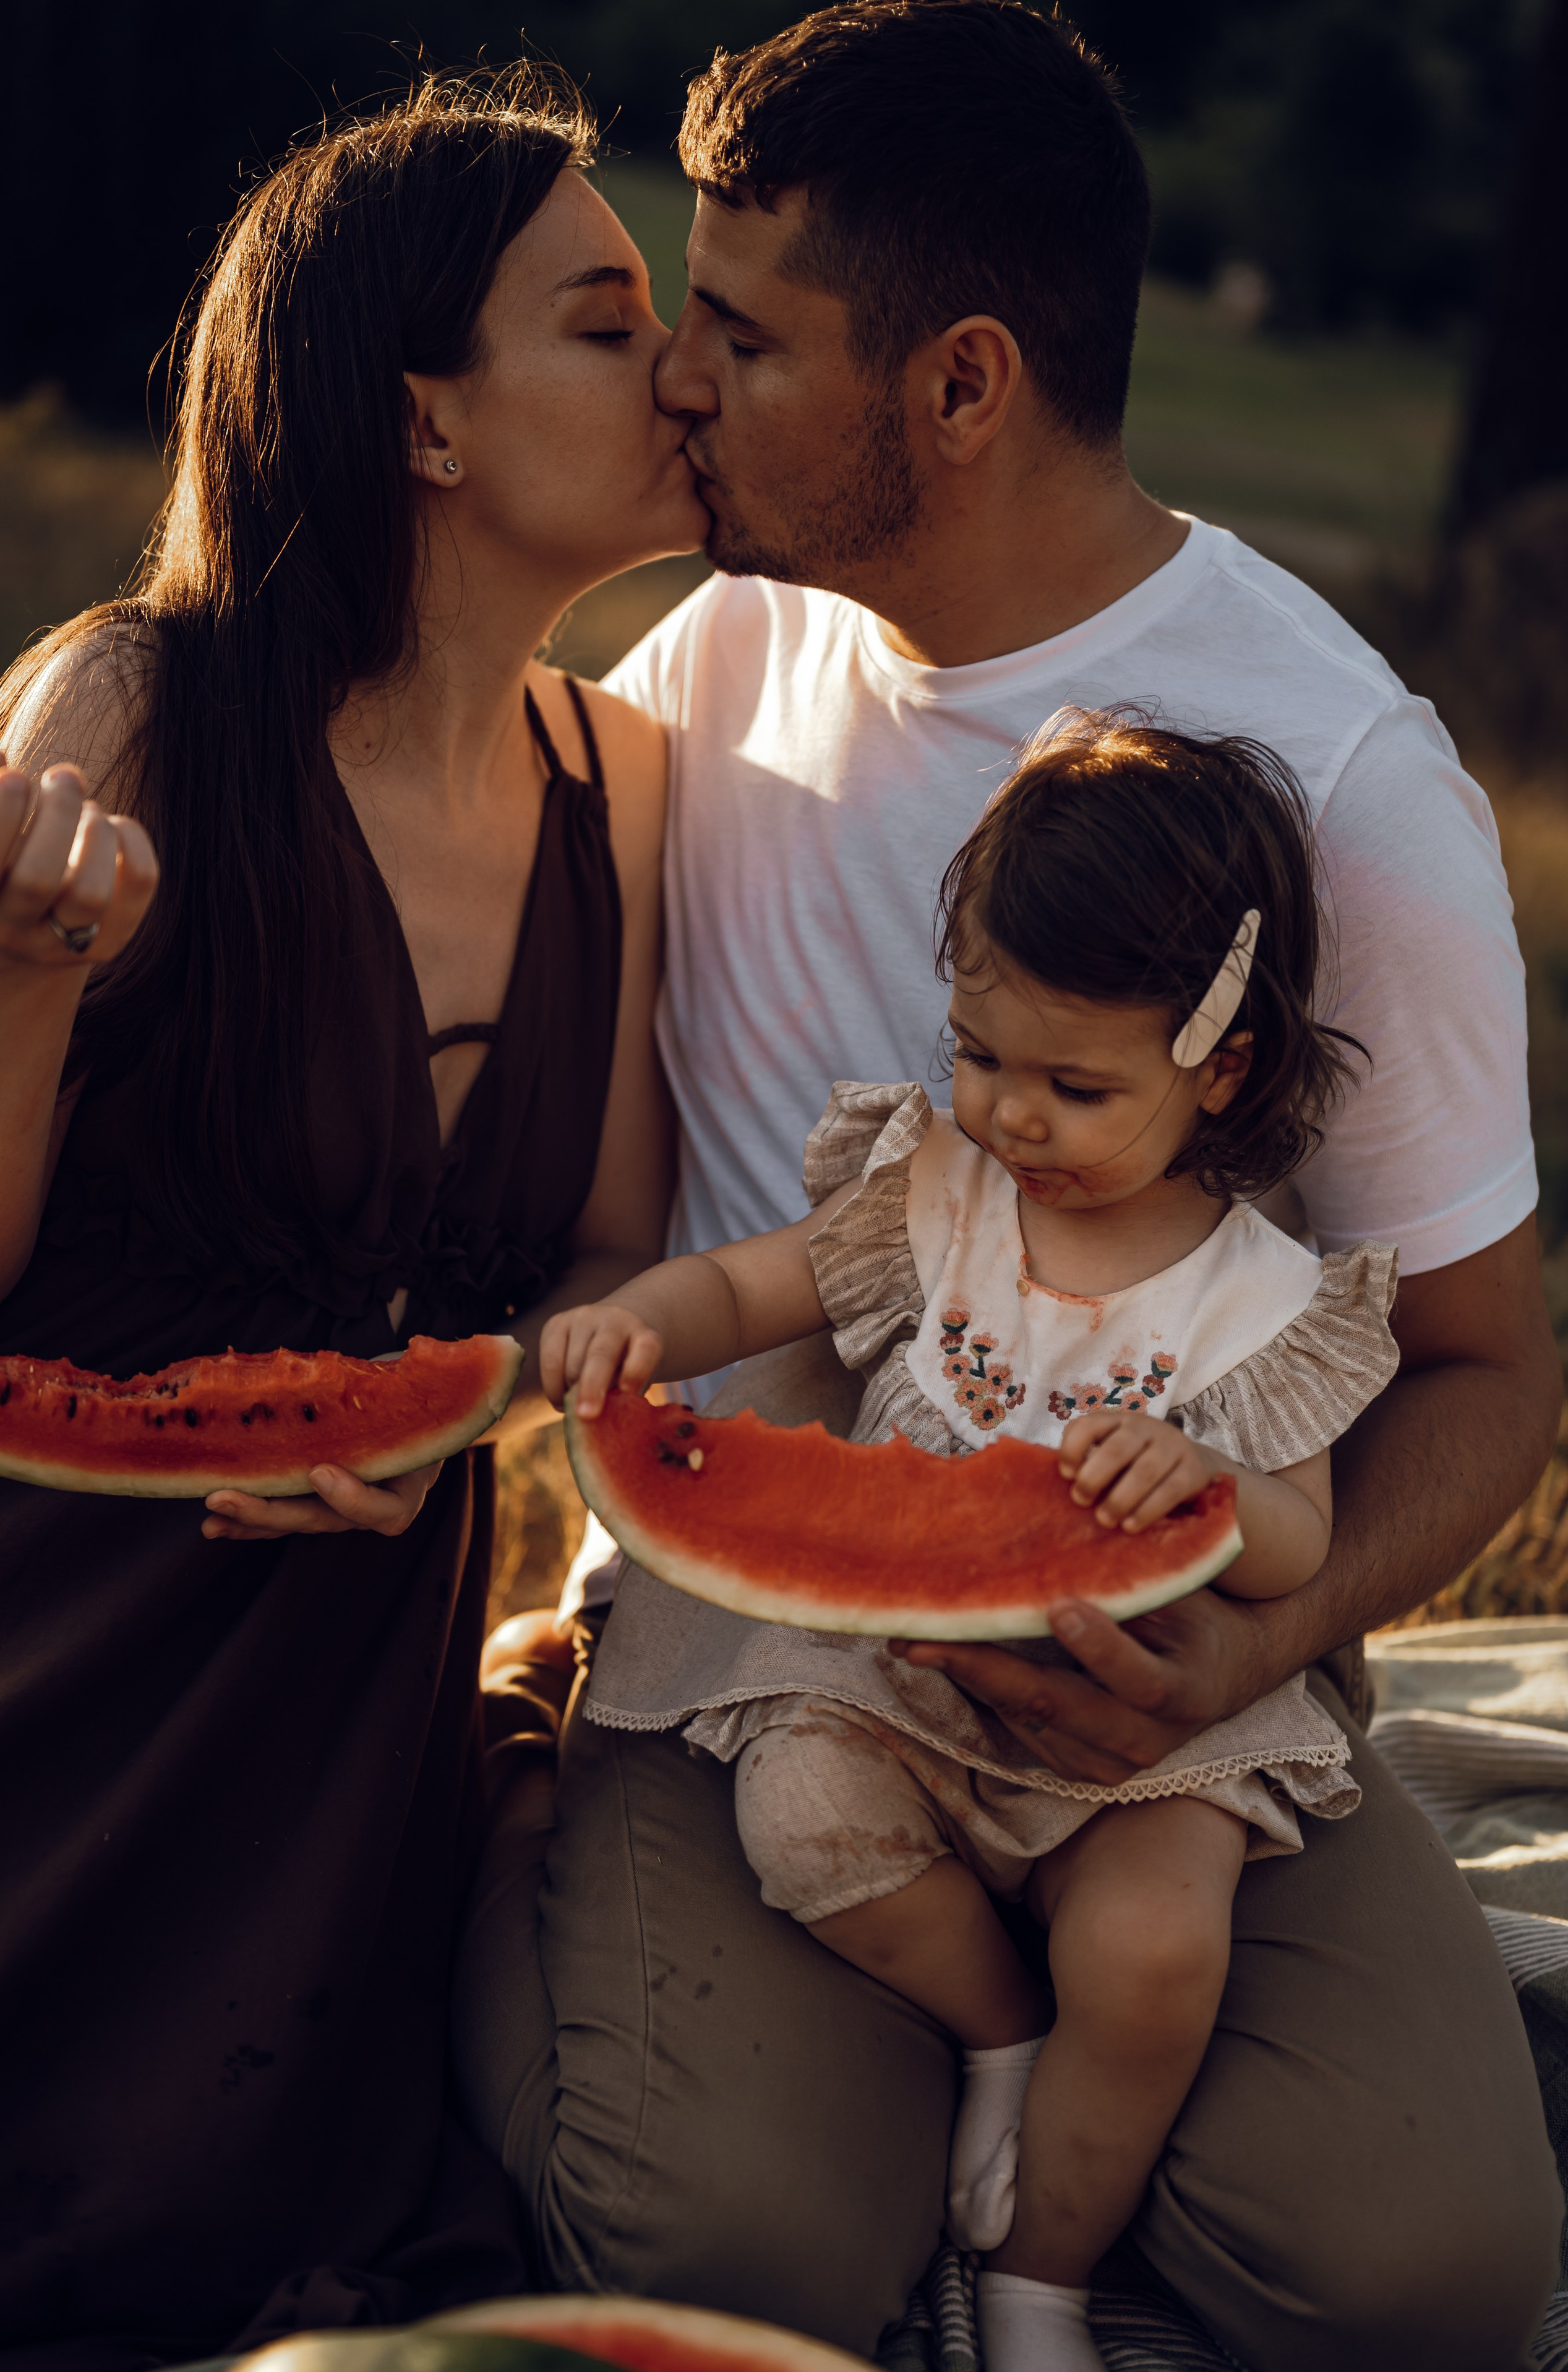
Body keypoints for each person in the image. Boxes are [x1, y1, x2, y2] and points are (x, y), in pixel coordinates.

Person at [457, 6, 1562, 2367]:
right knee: (745, 2258)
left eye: (746, 338)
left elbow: (1484, 1374)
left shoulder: (1344, 781)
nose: (681, 385)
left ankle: (1039, 2164)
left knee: (1431, 2279)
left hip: (1162, 1681)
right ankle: (546, 1832)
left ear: (962, 384)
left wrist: (1248, 1643)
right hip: (750, 1639)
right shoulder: (714, 664)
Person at [0, 69, 698, 2370]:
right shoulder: (131, 704)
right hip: (58, 1651)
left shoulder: (623, 777)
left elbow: (605, 1247)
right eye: (604, 321)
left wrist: (464, 1416)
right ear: (425, 420)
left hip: (343, 1726)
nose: (682, 365)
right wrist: (22, 975)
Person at [544, 713, 1403, 2372]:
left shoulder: (1260, 1296)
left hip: (1142, 1737)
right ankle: (999, 2029)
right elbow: (742, 1286)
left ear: (1221, 1067)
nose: (1013, 1116)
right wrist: (642, 1322)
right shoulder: (931, 1194)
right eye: (980, 1056)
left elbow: (1298, 1540)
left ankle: (1039, 2279)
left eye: (1078, 1088)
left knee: (1155, 1952)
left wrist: (1206, 1484)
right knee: (798, 1812)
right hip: (893, 1681)